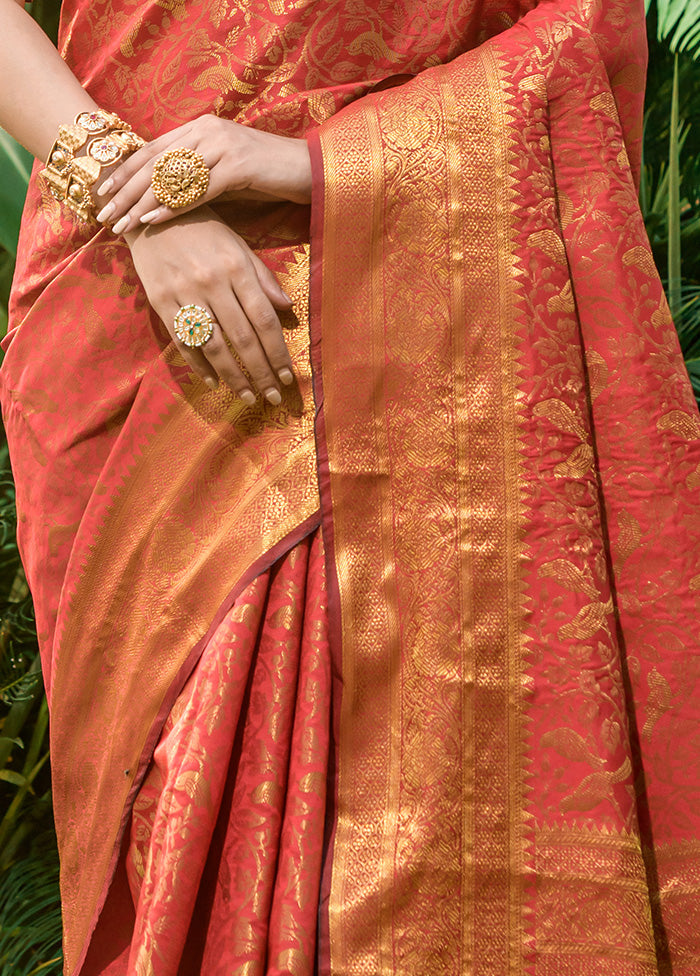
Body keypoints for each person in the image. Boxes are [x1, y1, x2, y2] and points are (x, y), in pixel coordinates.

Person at [1, 0, 699, 971]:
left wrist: (305, 166)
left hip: (416, 285)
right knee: (175, 808)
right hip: (123, 303)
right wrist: (140, 199)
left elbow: (591, 24)